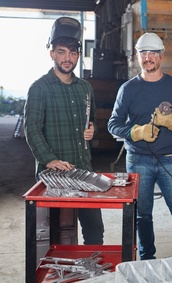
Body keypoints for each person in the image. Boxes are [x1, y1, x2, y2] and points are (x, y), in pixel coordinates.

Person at [108, 32, 172, 259]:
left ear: (162, 56)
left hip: (171, 160)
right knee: (143, 215)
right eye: (144, 53)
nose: (148, 57)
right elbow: (113, 124)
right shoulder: (128, 89)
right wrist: (136, 132)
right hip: (138, 159)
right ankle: (146, 259)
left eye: (153, 53)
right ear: (137, 56)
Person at [24, 17, 104, 245]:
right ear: (52, 54)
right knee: (59, 235)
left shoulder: (85, 88)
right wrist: (50, 159)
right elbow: (32, 129)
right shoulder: (39, 88)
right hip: (55, 177)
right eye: (61, 52)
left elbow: (93, 121)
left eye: (72, 53)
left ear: (78, 55)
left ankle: (93, 280)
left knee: (95, 232)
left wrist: (92, 129)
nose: (67, 58)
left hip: (84, 170)